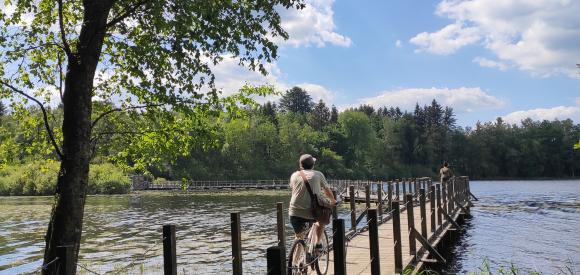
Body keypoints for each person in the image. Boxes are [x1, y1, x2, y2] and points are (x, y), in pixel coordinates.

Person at [288, 154, 337, 248]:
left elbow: (293, 189)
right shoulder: (318, 174)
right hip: (312, 211)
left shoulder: (294, 175)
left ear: (300, 165)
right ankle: (318, 243)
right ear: (313, 165)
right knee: (322, 219)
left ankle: (296, 260)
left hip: (294, 211)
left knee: (299, 237)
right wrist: (333, 200)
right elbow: (327, 191)